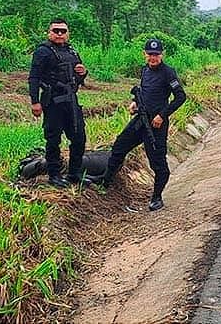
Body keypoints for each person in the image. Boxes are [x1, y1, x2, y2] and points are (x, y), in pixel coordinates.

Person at [102, 38, 186, 211]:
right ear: (144, 54)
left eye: (156, 54)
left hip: (156, 125)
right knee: (119, 146)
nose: (153, 57)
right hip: (140, 119)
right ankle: (105, 182)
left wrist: (162, 115)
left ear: (162, 55)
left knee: (158, 163)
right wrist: (135, 103)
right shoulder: (145, 70)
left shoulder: (168, 73)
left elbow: (180, 97)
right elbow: (144, 91)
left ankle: (156, 197)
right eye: (150, 54)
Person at [28, 18, 88, 188]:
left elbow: (77, 76)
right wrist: (35, 102)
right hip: (53, 101)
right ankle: (54, 175)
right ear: (50, 32)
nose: (60, 34)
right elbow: (34, 77)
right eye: (56, 31)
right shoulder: (43, 51)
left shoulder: (72, 51)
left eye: (63, 31)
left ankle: (74, 174)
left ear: (68, 33)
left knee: (79, 138)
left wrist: (83, 73)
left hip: (71, 101)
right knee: (53, 139)